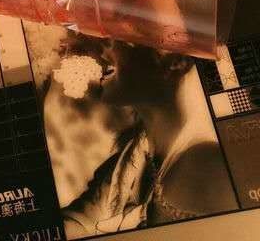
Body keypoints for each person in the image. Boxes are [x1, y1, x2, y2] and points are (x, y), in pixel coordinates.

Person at [62, 39, 236, 237]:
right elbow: (81, 221)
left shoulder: (205, 164)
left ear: (175, 60)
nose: (102, 49)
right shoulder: (131, 157)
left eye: (116, 36)